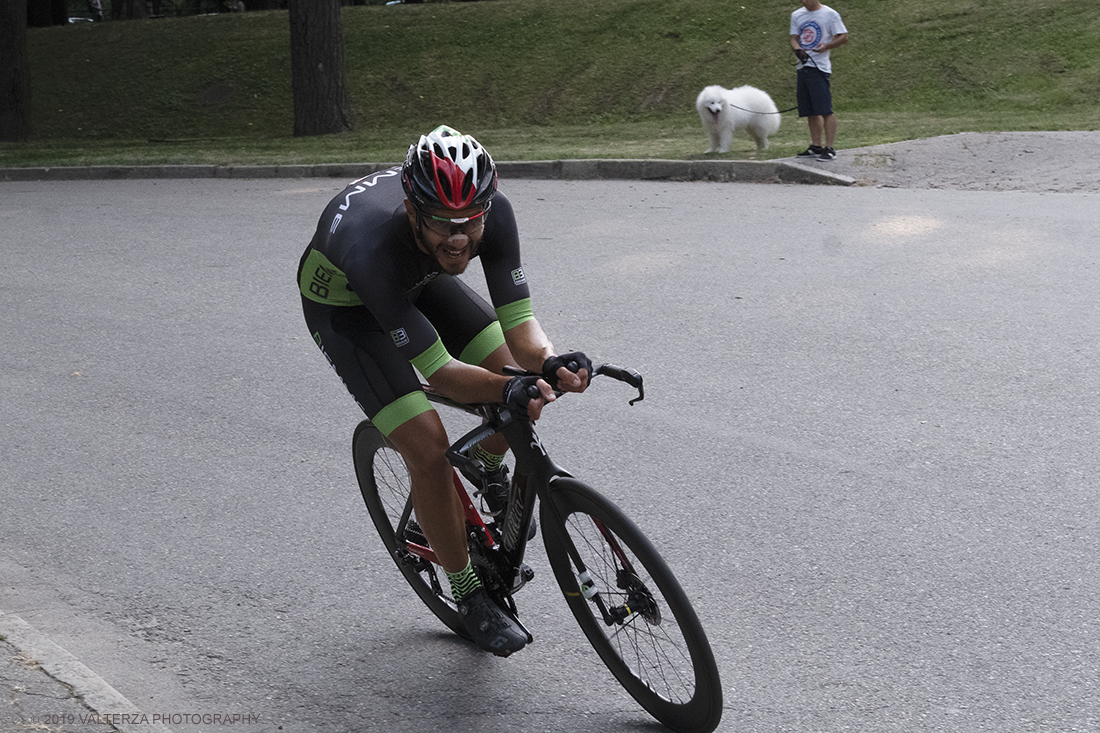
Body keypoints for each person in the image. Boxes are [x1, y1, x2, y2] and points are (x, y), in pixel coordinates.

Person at [297, 125, 592, 657]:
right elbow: (442, 373)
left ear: (486, 204)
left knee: (521, 392)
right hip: (349, 309)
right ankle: (468, 593)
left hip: (419, 277)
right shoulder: (372, 249)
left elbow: (521, 330)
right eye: (441, 222)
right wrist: (511, 384)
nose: (458, 238)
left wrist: (548, 362)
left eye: (469, 222)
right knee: (428, 445)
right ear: (413, 212)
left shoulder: (492, 214)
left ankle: (482, 465)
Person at [789, 0, 848, 161]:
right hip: (803, 66)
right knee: (810, 109)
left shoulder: (830, 14)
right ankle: (816, 146)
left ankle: (829, 148)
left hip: (819, 67)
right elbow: (794, 38)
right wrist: (797, 50)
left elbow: (843, 37)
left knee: (824, 109)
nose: (803, 1)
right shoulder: (797, 14)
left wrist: (827, 46)